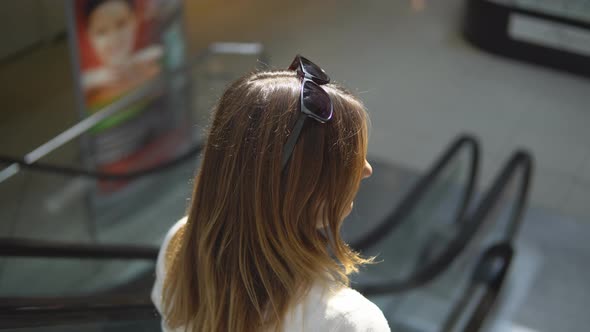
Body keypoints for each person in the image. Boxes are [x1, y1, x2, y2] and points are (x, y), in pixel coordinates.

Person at [151, 55, 391, 331]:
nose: (366, 169)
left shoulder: (180, 245)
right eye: (347, 161)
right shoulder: (347, 322)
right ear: (301, 192)